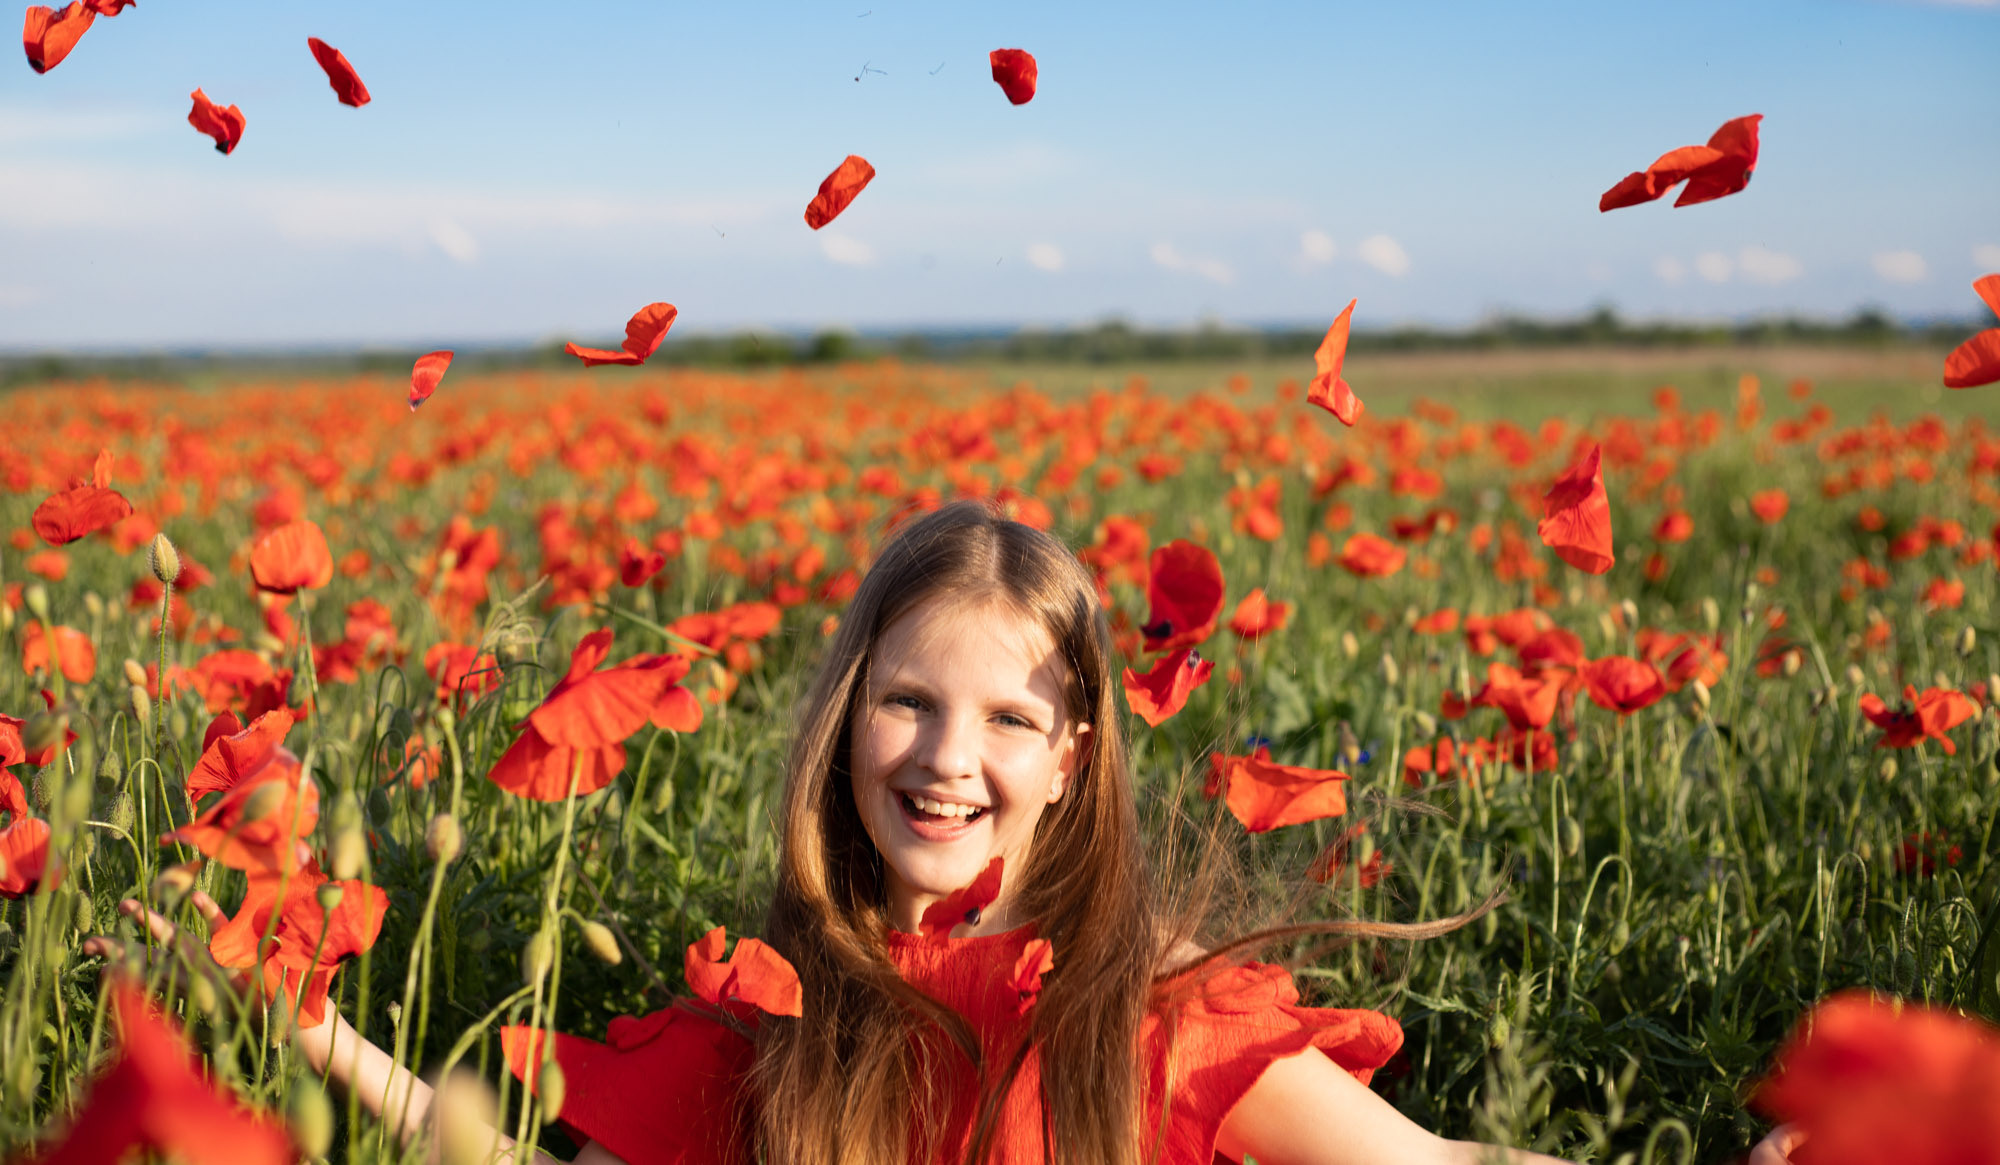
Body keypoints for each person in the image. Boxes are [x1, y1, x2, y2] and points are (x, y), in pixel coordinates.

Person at [98, 501, 1801, 1165]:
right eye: (907, 702)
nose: (945, 759)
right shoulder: (780, 1006)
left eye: (1004, 720)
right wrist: (308, 1026)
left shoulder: (1149, 1009)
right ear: (844, 714)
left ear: (1073, 755)